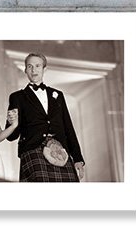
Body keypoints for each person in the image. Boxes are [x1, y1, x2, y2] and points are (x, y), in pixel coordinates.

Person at [5, 52, 85, 182]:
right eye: (29, 66)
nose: (33, 70)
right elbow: (11, 136)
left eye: (37, 66)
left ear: (44, 69)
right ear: (25, 70)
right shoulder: (17, 97)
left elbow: (68, 128)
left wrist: (78, 158)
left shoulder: (58, 95)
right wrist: (11, 121)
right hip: (33, 149)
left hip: (60, 150)